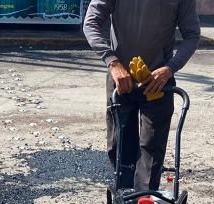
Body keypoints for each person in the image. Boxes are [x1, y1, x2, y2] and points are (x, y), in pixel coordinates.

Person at [83, 0, 200, 192]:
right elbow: (91, 23)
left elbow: (192, 35)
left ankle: (145, 202)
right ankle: (124, 198)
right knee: (119, 144)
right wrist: (112, 62)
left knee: (152, 149)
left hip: (158, 82)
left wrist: (170, 68)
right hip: (122, 79)